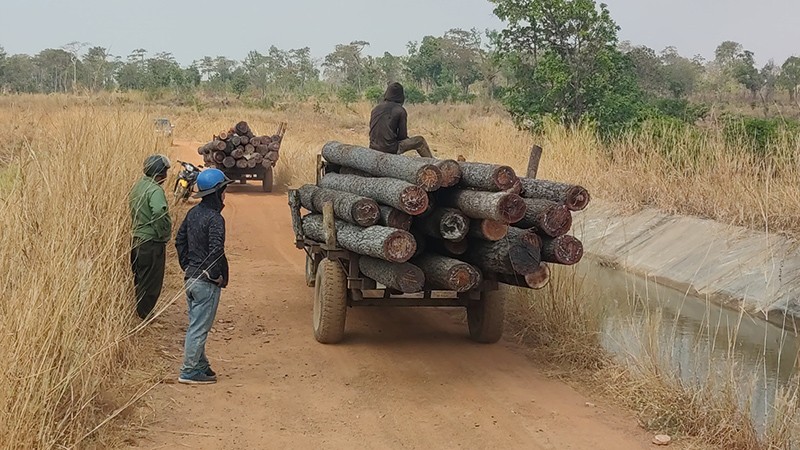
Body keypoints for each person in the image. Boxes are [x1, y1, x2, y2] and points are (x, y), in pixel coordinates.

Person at [175, 168, 232, 385]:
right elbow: (216, 250)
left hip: (191, 279)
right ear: (217, 193)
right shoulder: (215, 219)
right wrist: (215, 275)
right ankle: (189, 370)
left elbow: (180, 241)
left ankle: (200, 365)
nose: (225, 194)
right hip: (205, 282)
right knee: (199, 329)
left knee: (196, 325)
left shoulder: (193, 214)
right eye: (224, 190)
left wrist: (188, 267)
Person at [129, 154, 172, 320]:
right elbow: (160, 211)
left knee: (140, 278)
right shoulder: (155, 190)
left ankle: (140, 312)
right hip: (151, 242)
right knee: (152, 282)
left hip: (137, 240)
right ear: (160, 173)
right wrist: (163, 232)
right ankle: (145, 316)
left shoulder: (138, 186)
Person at [369, 82, 433, 157]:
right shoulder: (400, 110)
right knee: (420, 141)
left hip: (373, 148)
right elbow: (402, 136)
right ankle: (433, 164)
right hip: (390, 149)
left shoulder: (375, 109)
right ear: (401, 96)